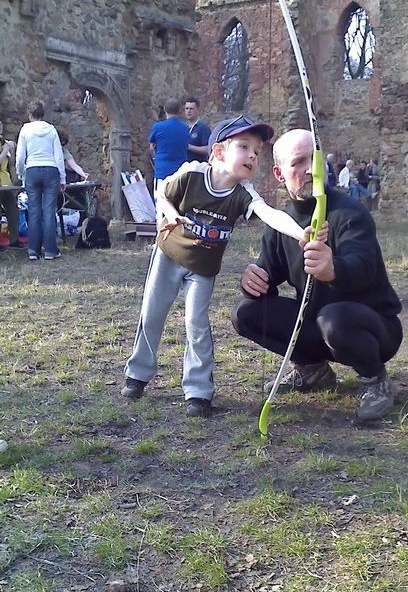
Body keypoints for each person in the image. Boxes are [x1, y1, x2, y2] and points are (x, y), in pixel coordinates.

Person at [121, 116, 325, 418]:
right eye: (244, 147)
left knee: (196, 324)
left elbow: (269, 214)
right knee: (151, 315)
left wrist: (301, 233)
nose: (252, 155)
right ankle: (137, 375)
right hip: (167, 256)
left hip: (202, 269)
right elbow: (162, 193)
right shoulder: (192, 173)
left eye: (256, 151)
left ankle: (198, 392)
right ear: (218, 151)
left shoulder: (243, 193)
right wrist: (171, 213)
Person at [232, 129, 403, 421]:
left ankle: (376, 379)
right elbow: (268, 276)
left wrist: (333, 269)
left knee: (333, 319)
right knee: (245, 314)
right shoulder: (281, 223)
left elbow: (363, 266)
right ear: (279, 173)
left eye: (315, 159)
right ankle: (312, 370)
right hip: (318, 324)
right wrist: (253, 282)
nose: (311, 169)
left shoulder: (349, 213)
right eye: (298, 162)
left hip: (373, 328)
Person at [15, 101, 65, 260]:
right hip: (51, 170)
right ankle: (50, 250)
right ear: (43, 114)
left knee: (34, 211)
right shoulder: (51, 130)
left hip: (32, 170)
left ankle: (33, 251)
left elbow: (20, 157)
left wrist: (21, 173)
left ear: (29, 114)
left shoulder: (25, 130)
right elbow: (59, 156)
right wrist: (62, 178)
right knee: (49, 211)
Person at [148, 97, 189, 196]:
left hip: (162, 172)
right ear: (179, 111)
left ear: (165, 110)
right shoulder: (185, 128)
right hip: (181, 173)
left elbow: (151, 146)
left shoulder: (157, 127)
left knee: (160, 201)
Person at [0, 120, 25, 251]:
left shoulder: (3, 142)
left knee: (13, 210)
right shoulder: (4, 146)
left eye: (1, 125)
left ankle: (14, 240)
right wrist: (5, 150)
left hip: (6, 183)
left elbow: (11, 165)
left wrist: (12, 151)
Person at [185, 97, 212, 163]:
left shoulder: (203, 128)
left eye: (191, 109)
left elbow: (208, 149)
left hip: (198, 166)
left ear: (198, 110)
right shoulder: (183, 127)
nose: (189, 111)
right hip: (183, 166)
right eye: (187, 108)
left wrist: (189, 147)